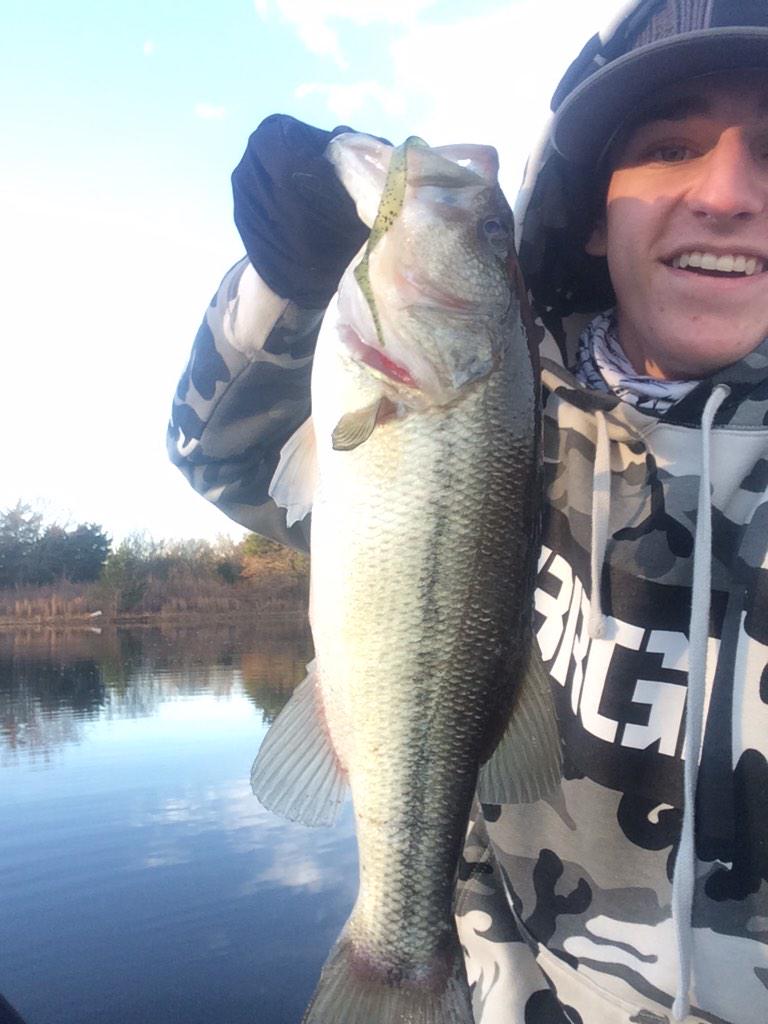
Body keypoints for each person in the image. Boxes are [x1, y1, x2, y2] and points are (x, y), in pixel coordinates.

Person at [167, 1, 768, 1021]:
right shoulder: (510, 414)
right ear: (591, 214)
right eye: (670, 147)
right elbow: (220, 453)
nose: (725, 193)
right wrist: (284, 279)